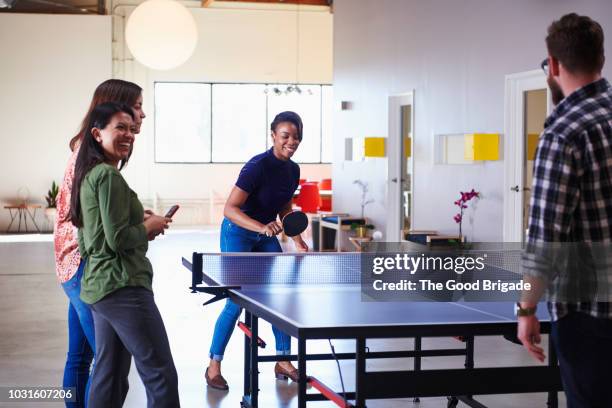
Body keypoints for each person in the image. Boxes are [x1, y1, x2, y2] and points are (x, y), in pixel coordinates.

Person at [517, 13, 612, 408]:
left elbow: (545, 241)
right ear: (601, 60)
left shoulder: (563, 132)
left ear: (553, 65)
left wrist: (526, 309)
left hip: (589, 315)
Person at [69, 102, 179, 407]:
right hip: (123, 287)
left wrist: (137, 221)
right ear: (97, 133)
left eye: (132, 129)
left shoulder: (90, 174)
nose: (129, 134)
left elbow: (92, 236)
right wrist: (150, 227)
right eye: (120, 127)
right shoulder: (108, 176)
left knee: (110, 374)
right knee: (160, 375)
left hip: (99, 288)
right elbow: (117, 240)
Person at [54, 79, 146, 408]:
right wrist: (143, 226)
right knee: (109, 364)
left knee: (80, 356)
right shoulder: (92, 158)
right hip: (84, 263)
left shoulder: (86, 148)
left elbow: (90, 206)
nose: (142, 114)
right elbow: (97, 223)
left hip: (70, 263)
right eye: (137, 106)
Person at [205, 111, 309, 390]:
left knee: (279, 298)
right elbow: (230, 209)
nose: (291, 141)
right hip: (238, 233)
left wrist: (296, 238)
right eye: (285, 135)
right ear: (273, 135)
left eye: (296, 136)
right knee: (235, 300)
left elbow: (285, 208)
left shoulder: (293, 169)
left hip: (267, 234)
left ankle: (283, 360)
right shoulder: (257, 166)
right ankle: (213, 366)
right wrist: (261, 227)